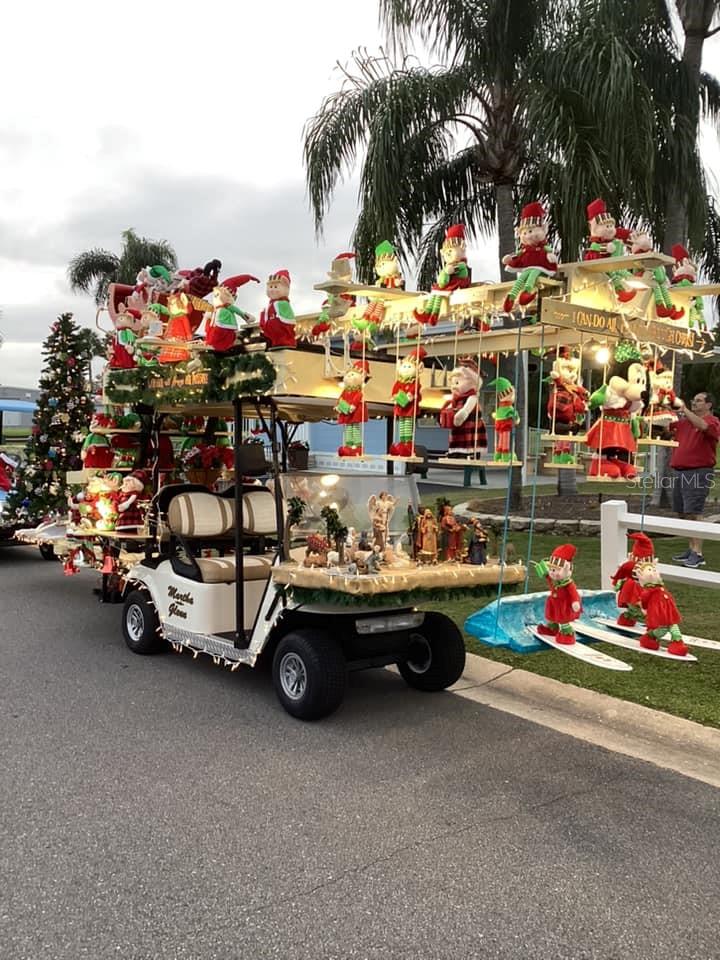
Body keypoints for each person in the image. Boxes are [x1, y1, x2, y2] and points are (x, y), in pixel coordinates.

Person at [668, 391, 720, 568]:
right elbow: (667, 427)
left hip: (698, 472)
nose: (694, 403)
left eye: (699, 401)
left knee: (694, 512)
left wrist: (684, 409)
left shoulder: (712, 421)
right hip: (681, 472)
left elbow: (704, 426)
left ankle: (698, 553)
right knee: (683, 512)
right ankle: (691, 549)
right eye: (693, 400)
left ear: (709, 405)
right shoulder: (684, 423)